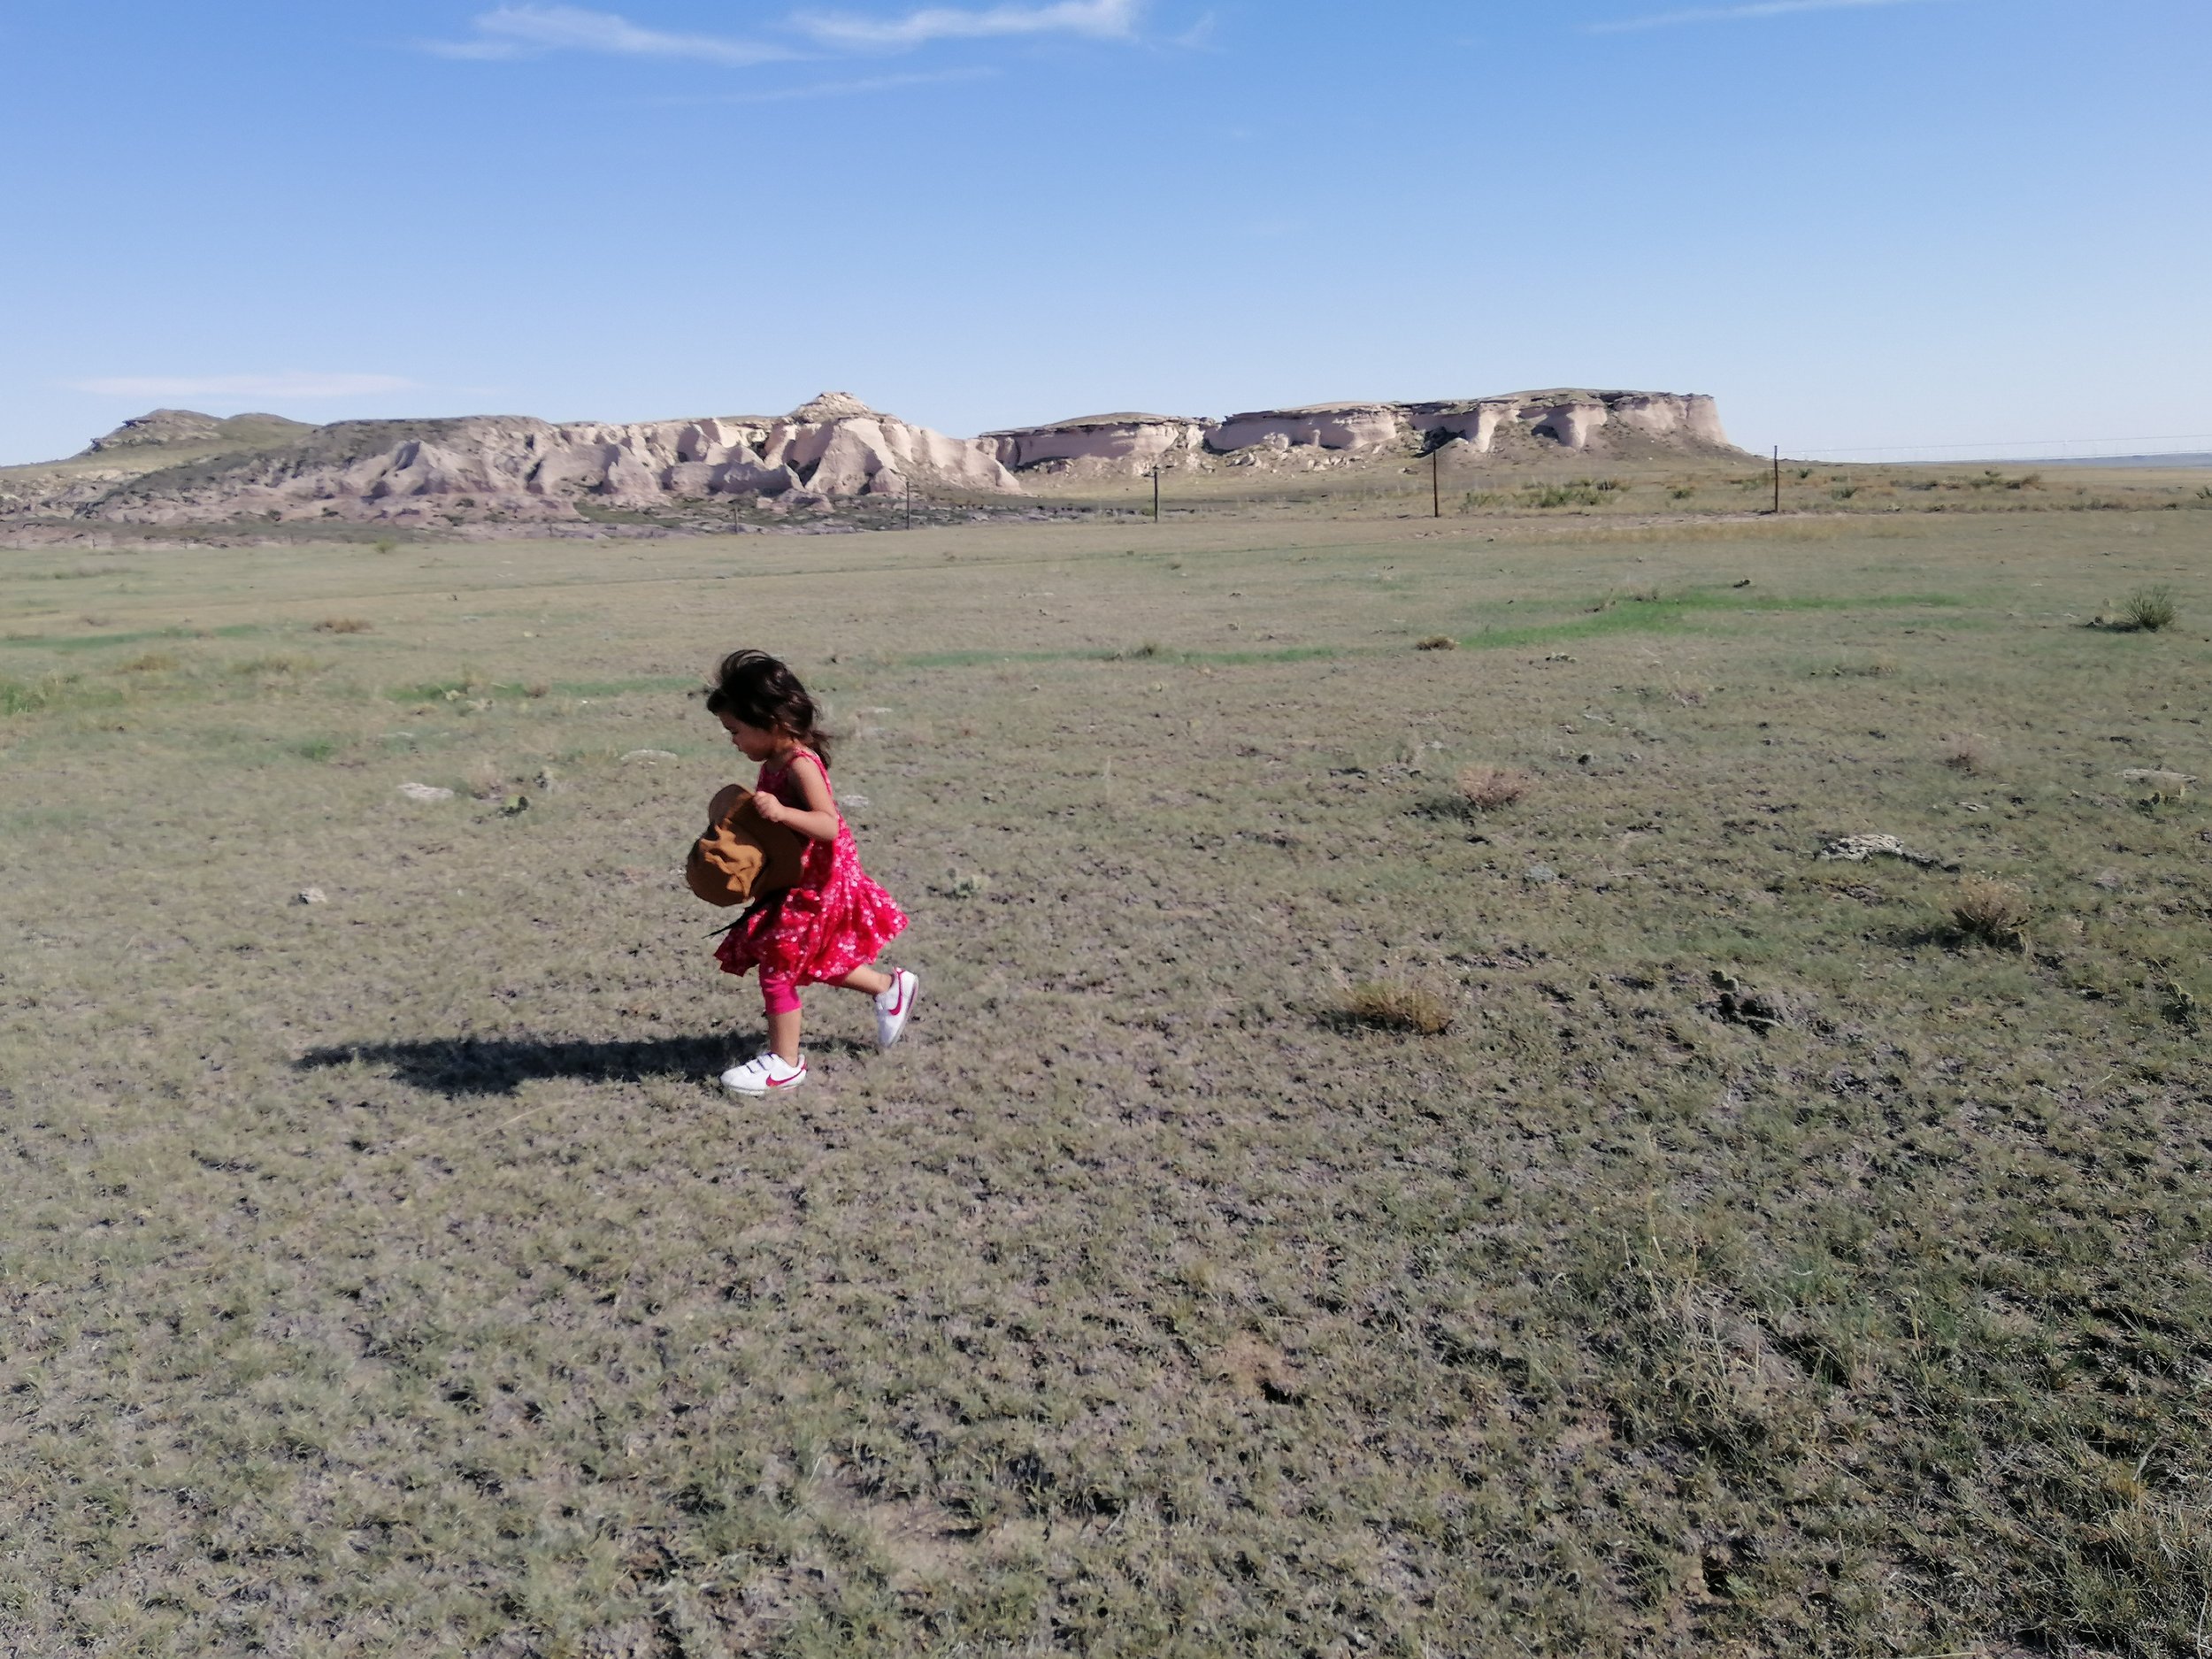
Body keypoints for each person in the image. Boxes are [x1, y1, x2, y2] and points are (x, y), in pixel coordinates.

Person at [702, 649, 915, 1094]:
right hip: (794, 877)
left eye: (735, 731)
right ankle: (887, 988)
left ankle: (784, 1064)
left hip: (820, 881)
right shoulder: (772, 762)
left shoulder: (800, 765)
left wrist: (781, 813)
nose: (733, 741)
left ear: (771, 723)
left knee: (778, 965)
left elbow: (828, 824)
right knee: (808, 958)